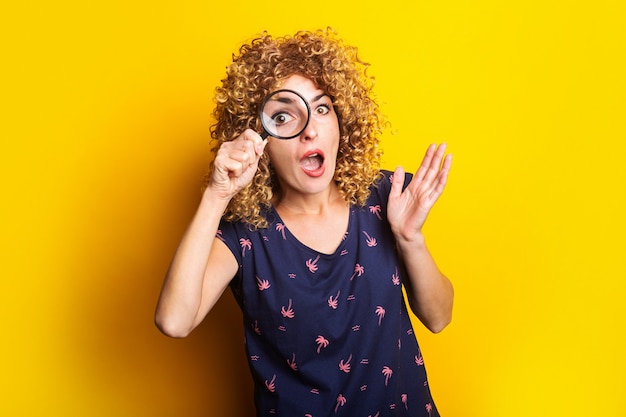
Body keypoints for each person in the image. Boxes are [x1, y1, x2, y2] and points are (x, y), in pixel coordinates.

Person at [155, 28, 454, 417]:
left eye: (323, 108)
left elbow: (439, 317)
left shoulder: (386, 197)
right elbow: (174, 321)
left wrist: (410, 238)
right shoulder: (244, 234)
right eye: (283, 116)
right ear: (259, 140)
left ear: (342, 120)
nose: (310, 128)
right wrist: (216, 195)